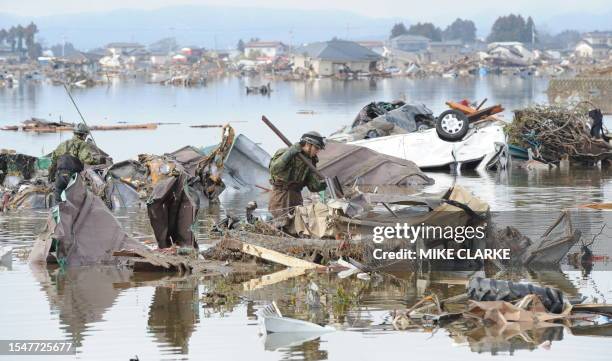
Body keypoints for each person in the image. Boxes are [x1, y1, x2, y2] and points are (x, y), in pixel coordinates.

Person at [268, 131, 327, 224]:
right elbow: (274, 169)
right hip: (281, 197)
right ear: (308, 144)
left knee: (297, 226)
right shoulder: (285, 152)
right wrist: (290, 153)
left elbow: (312, 186)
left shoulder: (310, 161)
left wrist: (323, 184)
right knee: (280, 226)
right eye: (316, 148)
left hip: (296, 198)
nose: (317, 151)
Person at [49, 123, 102, 202]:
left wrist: (51, 175)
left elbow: (53, 160)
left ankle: (59, 209)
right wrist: (99, 160)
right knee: (77, 198)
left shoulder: (63, 144)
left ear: (74, 133)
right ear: (84, 135)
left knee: (57, 195)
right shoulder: (82, 144)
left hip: (60, 175)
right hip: (73, 176)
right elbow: (87, 159)